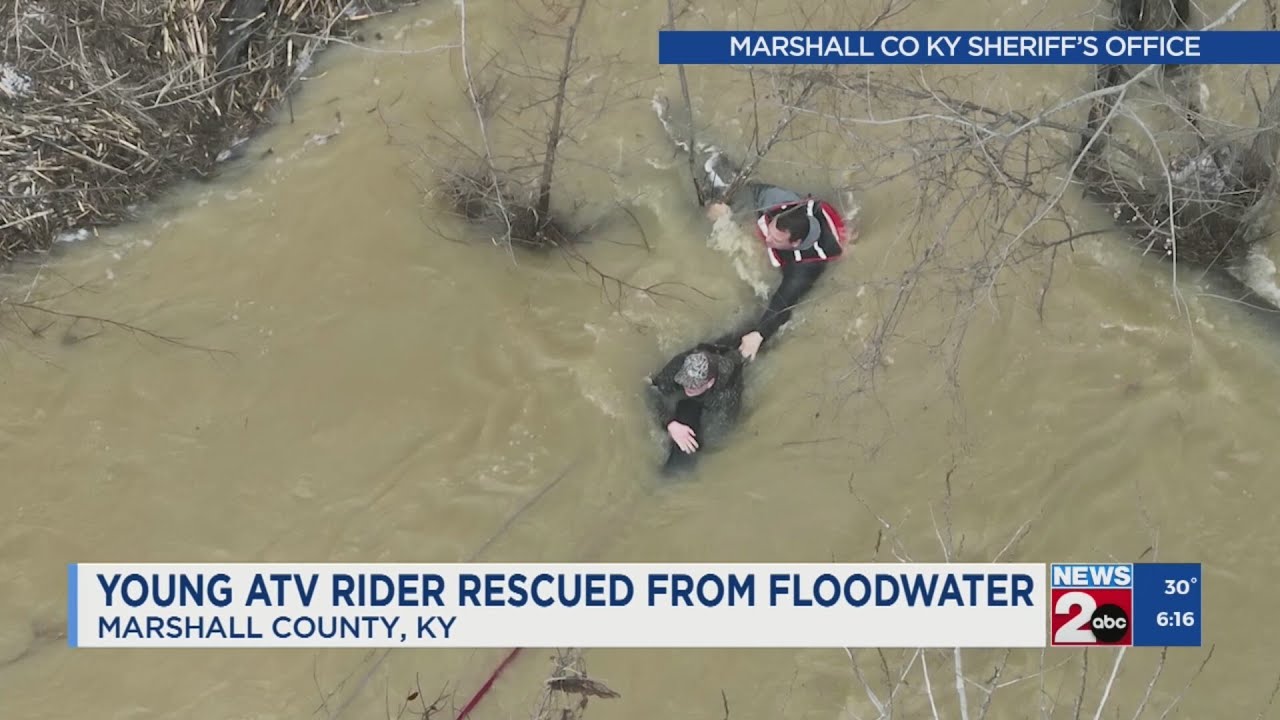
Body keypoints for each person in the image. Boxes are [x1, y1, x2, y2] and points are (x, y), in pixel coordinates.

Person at [650, 93, 860, 361]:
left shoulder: (805, 266)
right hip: (760, 199)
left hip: (805, 257)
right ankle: (675, 123)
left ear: (795, 244)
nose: (768, 238)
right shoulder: (784, 204)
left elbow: (784, 303)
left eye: (775, 239)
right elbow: (755, 194)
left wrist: (759, 334)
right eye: (770, 230)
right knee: (714, 178)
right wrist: (727, 212)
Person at [644, 341, 745, 474]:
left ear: (710, 383)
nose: (687, 387)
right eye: (684, 381)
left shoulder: (726, 392)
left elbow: (722, 432)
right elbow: (650, 390)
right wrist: (670, 423)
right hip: (711, 349)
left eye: (694, 385)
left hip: (730, 361)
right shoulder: (680, 364)